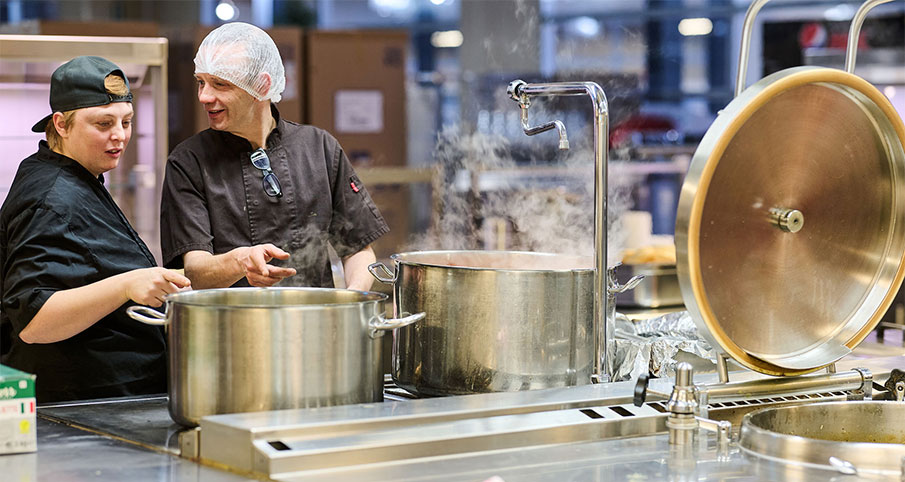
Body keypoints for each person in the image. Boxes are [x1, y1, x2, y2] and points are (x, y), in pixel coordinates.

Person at [0, 56, 191, 403]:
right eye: (103, 123)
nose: (119, 136)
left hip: (114, 398)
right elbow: (34, 319)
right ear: (61, 124)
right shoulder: (51, 199)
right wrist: (127, 284)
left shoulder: (76, 177)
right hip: (82, 408)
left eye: (127, 121)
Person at [161, 22, 389, 290]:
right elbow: (195, 272)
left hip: (315, 323)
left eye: (220, 84)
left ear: (262, 85)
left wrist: (351, 303)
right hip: (228, 327)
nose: (204, 96)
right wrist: (240, 261)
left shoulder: (319, 148)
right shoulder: (188, 162)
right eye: (201, 82)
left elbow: (358, 249)